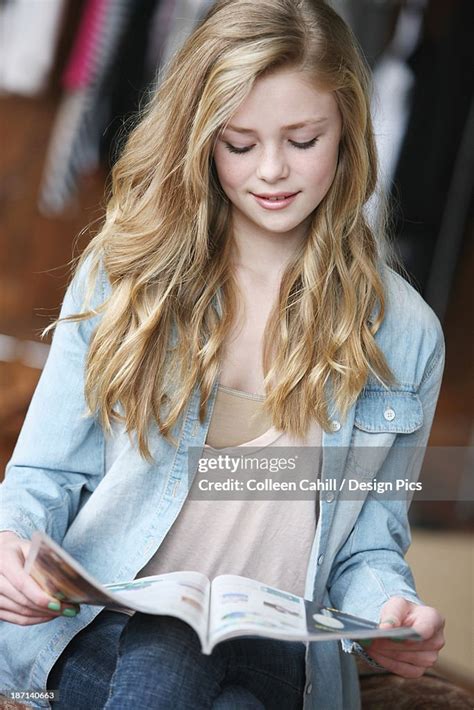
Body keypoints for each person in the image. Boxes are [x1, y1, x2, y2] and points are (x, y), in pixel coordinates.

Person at [0, 1, 446, 708]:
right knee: (170, 641)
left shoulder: (406, 333)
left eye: (303, 140)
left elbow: (369, 546)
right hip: (100, 632)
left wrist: (393, 612)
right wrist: (10, 547)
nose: (272, 171)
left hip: (278, 655)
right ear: (201, 139)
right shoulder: (128, 277)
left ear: (350, 135)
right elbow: (44, 475)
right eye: (239, 144)